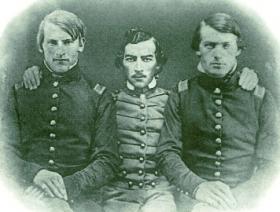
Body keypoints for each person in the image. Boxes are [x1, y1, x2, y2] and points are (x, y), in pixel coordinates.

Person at [22, 26, 258, 212]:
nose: (138, 67)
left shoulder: (176, 98)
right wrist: (39, 74)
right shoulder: (105, 100)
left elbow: (213, 97)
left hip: (162, 195)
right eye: (130, 59)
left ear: (158, 65)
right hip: (116, 196)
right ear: (121, 63)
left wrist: (243, 77)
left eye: (146, 59)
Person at [156, 12, 280, 211]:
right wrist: (197, 187)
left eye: (226, 45)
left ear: (238, 50)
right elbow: (166, 154)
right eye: (210, 45)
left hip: (246, 199)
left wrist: (240, 198)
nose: (217, 54)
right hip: (192, 198)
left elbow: (273, 163)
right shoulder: (180, 95)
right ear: (198, 49)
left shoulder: (261, 98)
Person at [3, 10, 119, 212]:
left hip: (80, 197)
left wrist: (64, 188)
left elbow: (107, 161)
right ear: (41, 46)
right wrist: (34, 174)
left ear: (81, 44)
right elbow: (4, 150)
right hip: (25, 190)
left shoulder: (99, 97)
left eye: (67, 42)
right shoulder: (20, 92)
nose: (60, 51)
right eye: (52, 43)